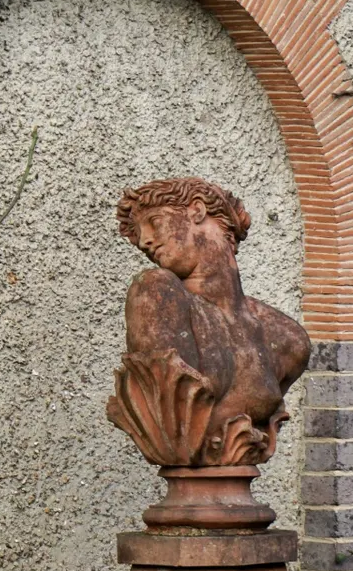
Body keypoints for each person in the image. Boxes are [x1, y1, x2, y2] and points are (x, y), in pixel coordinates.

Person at [108, 176, 311, 467]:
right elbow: (170, 425)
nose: (144, 241)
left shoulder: (288, 339)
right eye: (140, 235)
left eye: (154, 222)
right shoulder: (156, 294)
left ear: (197, 211)